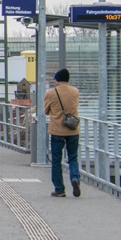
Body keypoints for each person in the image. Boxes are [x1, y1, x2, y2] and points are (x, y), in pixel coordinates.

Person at [44, 68, 81, 197]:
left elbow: (46, 110)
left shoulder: (50, 93)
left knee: (56, 160)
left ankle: (59, 189)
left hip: (57, 130)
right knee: (73, 157)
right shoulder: (75, 91)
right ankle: (75, 178)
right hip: (73, 129)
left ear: (57, 80)